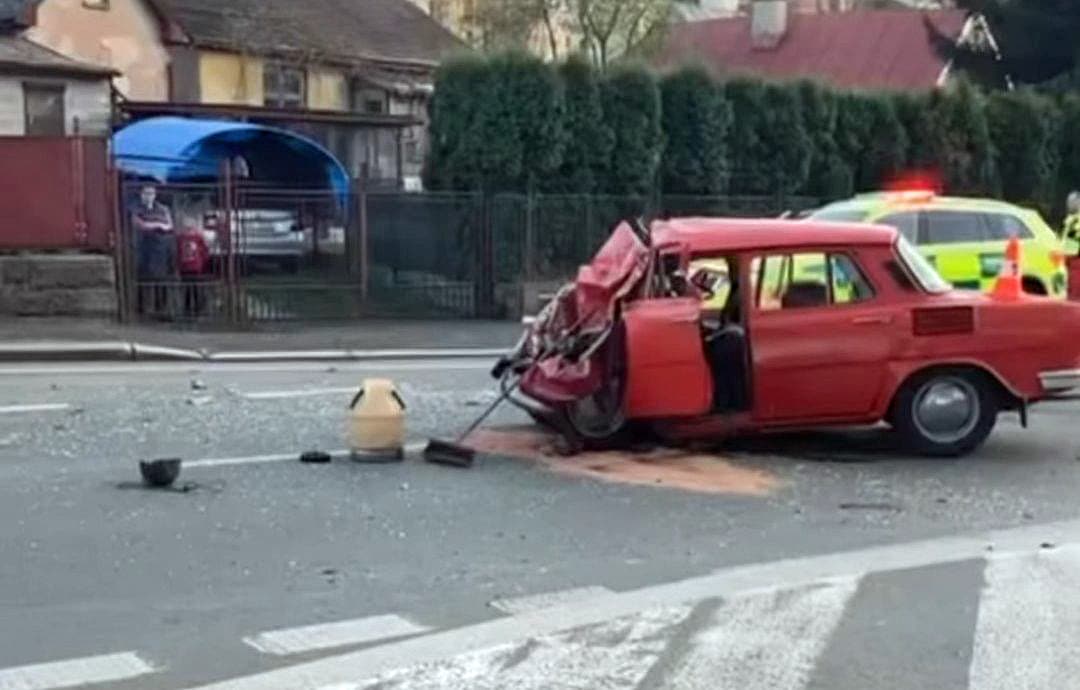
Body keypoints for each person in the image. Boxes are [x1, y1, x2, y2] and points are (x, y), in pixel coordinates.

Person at [130, 184, 176, 316]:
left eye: (151, 193)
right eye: (146, 193)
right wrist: (157, 224)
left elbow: (169, 226)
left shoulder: (162, 209)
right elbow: (140, 224)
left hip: (160, 249)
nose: (148, 196)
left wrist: (154, 224)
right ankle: (141, 310)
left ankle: (161, 310)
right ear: (141, 194)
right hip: (143, 248)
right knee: (143, 280)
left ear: (155, 195)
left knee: (161, 281)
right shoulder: (136, 208)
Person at [1064, 191, 1080, 257]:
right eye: (1068, 202)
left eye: (1071, 202)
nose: (1068, 204)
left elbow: (1071, 250)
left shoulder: (1075, 221)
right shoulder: (1070, 218)